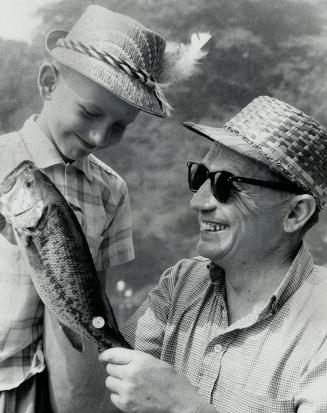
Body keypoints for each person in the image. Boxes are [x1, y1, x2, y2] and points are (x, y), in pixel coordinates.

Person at [0, 4, 210, 413]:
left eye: (119, 126)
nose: (99, 135)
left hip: (44, 388)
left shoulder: (111, 190)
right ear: (47, 83)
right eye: (90, 112)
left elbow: (92, 298)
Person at [100, 95, 327, 412]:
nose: (199, 202)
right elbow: (102, 385)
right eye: (200, 177)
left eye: (225, 184)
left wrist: (183, 405)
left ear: (295, 213)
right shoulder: (183, 282)